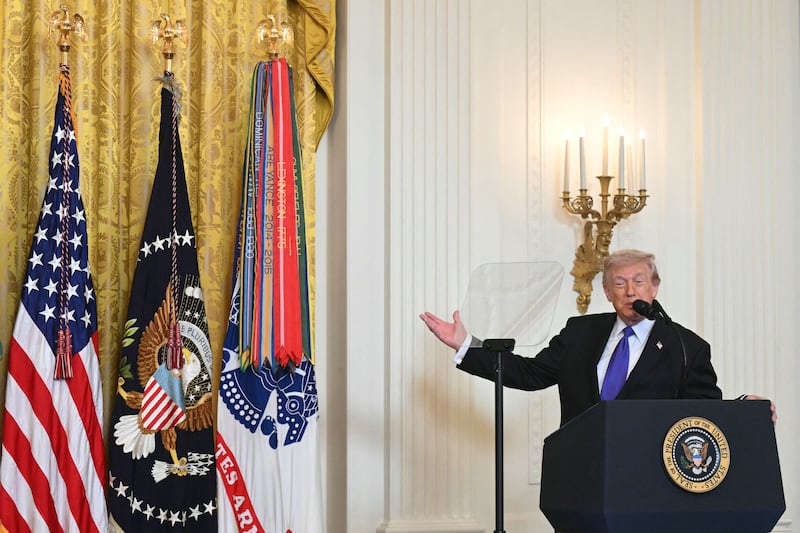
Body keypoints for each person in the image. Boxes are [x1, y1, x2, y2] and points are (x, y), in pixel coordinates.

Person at [420, 249, 777, 425]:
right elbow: (530, 375)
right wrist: (468, 346)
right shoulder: (581, 332)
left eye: (638, 281)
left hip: (649, 485)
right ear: (607, 292)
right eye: (619, 283)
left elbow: (701, 414)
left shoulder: (686, 346)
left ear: (655, 287)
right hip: (580, 476)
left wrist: (743, 407)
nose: (629, 290)